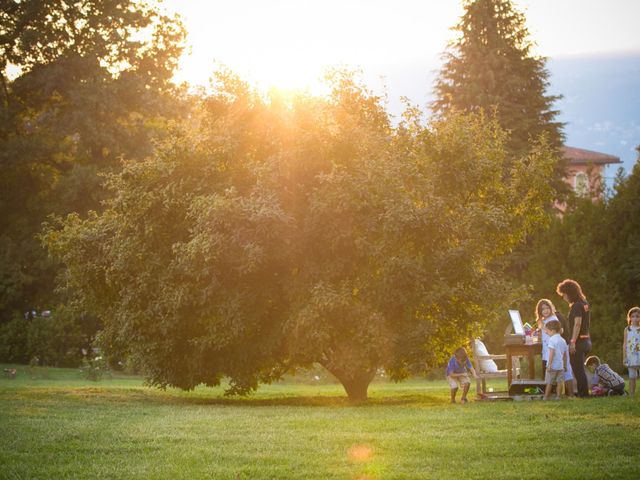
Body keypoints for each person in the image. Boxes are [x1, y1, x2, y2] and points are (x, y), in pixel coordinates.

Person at [556, 279, 591, 397]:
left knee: (578, 369)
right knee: (579, 368)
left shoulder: (576, 306)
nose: (563, 297)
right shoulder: (584, 303)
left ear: (569, 293)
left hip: (579, 341)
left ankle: (584, 394)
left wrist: (572, 342)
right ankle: (583, 392)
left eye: (564, 294)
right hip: (586, 340)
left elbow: (577, 323)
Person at [535, 299, 574, 397]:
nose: (545, 311)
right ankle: (558, 395)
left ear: (551, 308)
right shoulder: (545, 320)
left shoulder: (553, 318)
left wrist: (543, 327)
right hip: (549, 350)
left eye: (547, 308)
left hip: (554, 350)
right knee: (557, 375)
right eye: (543, 309)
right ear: (539, 311)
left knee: (559, 374)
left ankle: (567, 394)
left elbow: (559, 331)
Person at [544, 320, 568, 400]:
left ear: (552, 331)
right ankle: (558, 396)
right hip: (560, 366)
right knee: (559, 382)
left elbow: (551, 353)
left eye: (547, 331)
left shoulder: (552, 340)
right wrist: (565, 365)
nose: (546, 332)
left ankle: (546, 397)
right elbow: (565, 355)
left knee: (549, 382)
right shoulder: (563, 340)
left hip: (553, 366)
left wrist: (549, 364)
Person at [623, 306, 640, 397]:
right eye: (633, 316)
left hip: (639, 355)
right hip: (631, 356)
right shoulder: (627, 329)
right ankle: (631, 395)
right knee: (632, 377)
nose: (635, 318)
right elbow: (625, 344)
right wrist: (624, 357)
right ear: (629, 317)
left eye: (637, 316)